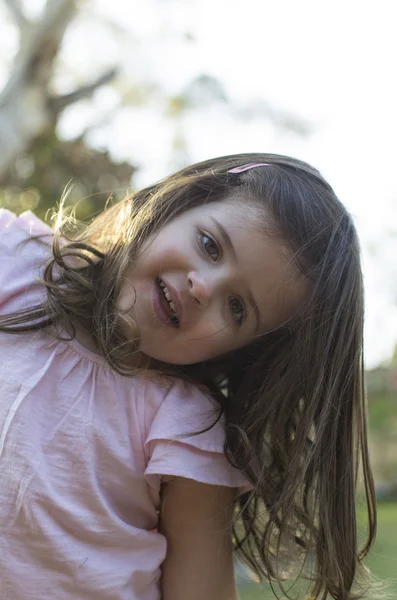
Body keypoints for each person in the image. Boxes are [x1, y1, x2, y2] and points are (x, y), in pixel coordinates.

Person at [0, 153, 376, 600]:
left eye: (237, 308)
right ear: (176, 204)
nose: (204, 288)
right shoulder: (16, 263)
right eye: (210, 246)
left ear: (239, 351)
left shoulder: (185, 425)